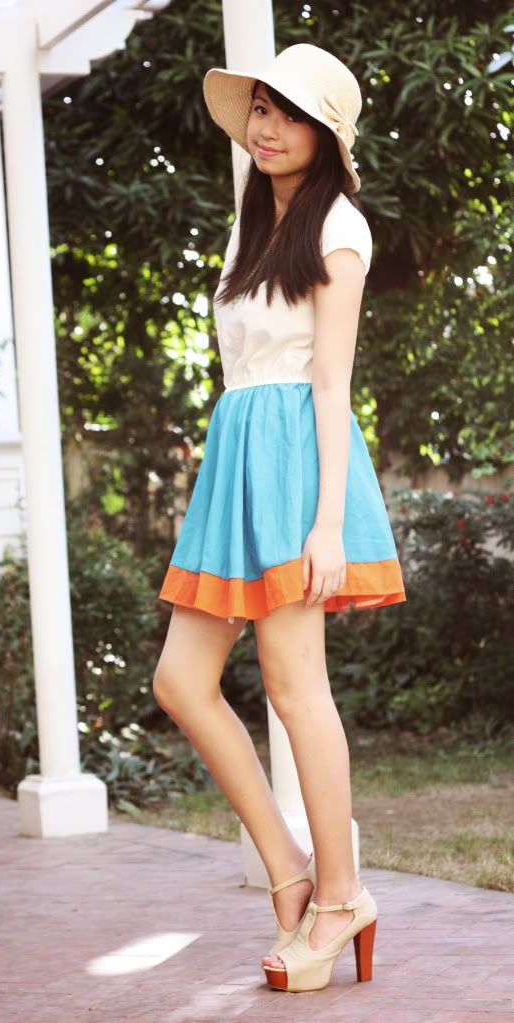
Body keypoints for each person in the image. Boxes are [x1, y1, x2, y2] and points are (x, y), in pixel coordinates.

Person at [153, 42, 406, 993]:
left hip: (297, 465)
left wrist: (326, 524)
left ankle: (340, 898)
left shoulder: (339, 227)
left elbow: (331, 382)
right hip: (238, 462)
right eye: (260, 107)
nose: (265, 127)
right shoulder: (253, 223)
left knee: (297, 690)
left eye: (288, 114)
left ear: (325, 136)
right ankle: (291, 872)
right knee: (181, 680)